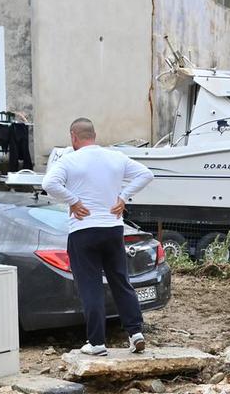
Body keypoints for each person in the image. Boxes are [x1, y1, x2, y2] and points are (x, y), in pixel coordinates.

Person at [42, 118, 154, 356]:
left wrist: (73, 201)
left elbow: (48, 183)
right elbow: (146, 174)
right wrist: (123, 197)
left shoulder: (69, 160)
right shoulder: (115, 157)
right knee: (121, 281)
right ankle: (135, 334)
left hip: (83, 231)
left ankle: (97, 343)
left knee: (90, 286)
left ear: (73, 136)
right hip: (113, 228)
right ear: (94, 134)